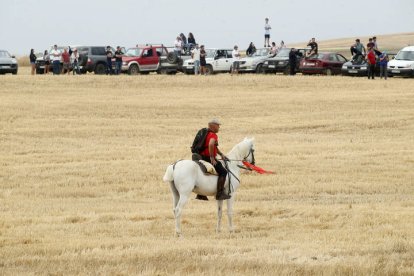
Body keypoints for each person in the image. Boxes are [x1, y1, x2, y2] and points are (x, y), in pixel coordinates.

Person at [199, 118, 231, 200]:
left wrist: (221, 154)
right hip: (208, 158)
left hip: (200, 156)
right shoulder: (213, 135)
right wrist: (212, 158)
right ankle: (219, 193)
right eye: (218, 126)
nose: (219, 127)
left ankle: (200, 194)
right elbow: (211, 144)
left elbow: (214, 146)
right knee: (223, 172)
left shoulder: (206, 133)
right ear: (213, 126)